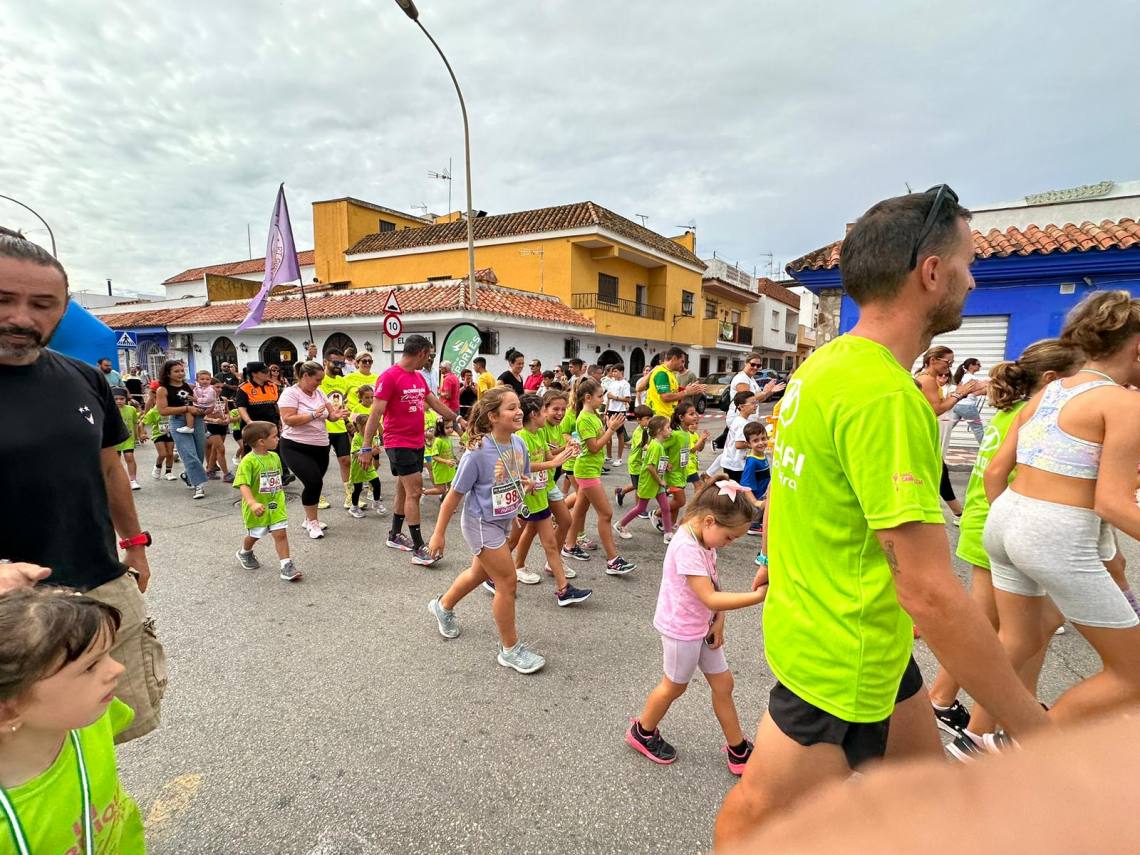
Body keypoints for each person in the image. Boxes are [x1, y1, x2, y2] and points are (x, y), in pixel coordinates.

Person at [714, 186, 1049, 846]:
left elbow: (791, 485)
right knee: (755, 821)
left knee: (934, 808)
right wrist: (1040, 733)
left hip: (870, 645)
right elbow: (929, 591)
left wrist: (772, 558)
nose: (973, 279)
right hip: (842, 659)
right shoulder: (886, 397)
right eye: (968, 263)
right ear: (932, 272)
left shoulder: (823, 366)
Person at [0, 231, 165, 743]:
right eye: (4, 299)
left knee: (113, 731)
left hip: (99, 586)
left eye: (42, 304)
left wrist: (134, 544)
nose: (22, 317)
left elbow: (110, 468)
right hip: (8, 611)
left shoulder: (83, 378)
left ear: (63, 309)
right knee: (20, 752)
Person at [979, 290, 1140, 729]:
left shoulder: (1049, 392)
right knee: (1133, 674)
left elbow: (996, 472)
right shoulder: (1123, 403)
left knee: (1019, 640)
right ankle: (1029, 743)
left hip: (1006, 519)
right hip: (1055, 534)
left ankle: (976, 738)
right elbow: (1113, 503)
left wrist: (1019, 527)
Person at [918, 339, 1083, 749]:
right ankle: (988, 722)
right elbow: (1004, 477)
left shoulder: (1014, 412)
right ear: (1051, 380)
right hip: (998, 525)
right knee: (1017, 630)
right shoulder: (1034, 416)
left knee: (1002, 627)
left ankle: (962, 703)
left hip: (986, 522)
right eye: (1077, 378)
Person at [626, 477, 766, 773]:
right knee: (674, 686)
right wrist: (757, 597)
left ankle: (737, 749)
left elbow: (712, 583)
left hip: (702, 624)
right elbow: (709, 596)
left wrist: (719, 619)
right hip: (682, 629)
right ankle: (642, 731)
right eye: (729, 537)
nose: (729, 544)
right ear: (710, 521)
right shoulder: (687, 547)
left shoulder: (703, 537)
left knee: (724, 684)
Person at [0, 588, 145, 853]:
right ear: (7, 712)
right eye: (90, 666)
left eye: (108, 655)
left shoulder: (92, 720)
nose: (117, 669)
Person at [426, 388, 547, 674]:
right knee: (507, 581)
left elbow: (519, 476)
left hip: (504, 520)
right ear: (493, 416)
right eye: (511, 408)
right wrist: (439, 533)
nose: (519, 412)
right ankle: (510, 650)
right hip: (481, 524)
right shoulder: (477, 453)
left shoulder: (519, 443)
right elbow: (454, 495)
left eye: (518, 406)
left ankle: (443, 606)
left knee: (478, 574)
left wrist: (526, 484)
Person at [359, 334, 459, 566]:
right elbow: (375, 413)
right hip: (398, 442)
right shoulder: (389, 377)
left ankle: (394, 535)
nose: (429, 360)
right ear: (422, 353)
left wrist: (459, 419)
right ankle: (418, 546)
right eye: (429, 355)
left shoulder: (418, 377)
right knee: (414, 492)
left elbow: (435, 403)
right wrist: (366, 446)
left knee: (404, 490)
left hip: (416, 442)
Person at [509, 393, 591, 603]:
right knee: (512, 541)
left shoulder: (538, 433)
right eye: (545, 411)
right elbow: (522, 467)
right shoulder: (521, 437)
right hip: (528, 495)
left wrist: (567, 453)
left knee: (551, 543)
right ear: (535, 414)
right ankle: (491, 574)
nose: (549, 415)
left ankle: (564, 590)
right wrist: (554, 463)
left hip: (541, 492)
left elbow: (547, 457)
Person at [560, 379, 637, 575]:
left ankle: (569, 545)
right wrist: (611, 429)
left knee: (579, 510)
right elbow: (594, 447)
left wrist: (608, 426)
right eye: (600, 396)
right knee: (606, 514)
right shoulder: (584, 418)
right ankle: (613, 560)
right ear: (588, 397)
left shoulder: (593, 415)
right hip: (586, 471)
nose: (603, 399)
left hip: (591, 469)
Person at [278, 360, 348, 540]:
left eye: (321, 379)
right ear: (305, 376)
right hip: (295, 445)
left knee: (315, 483)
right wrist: (313, 414)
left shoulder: (320, 393)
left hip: (320, 446)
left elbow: (330, 415)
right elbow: (289, 419)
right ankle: (313, 522)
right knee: (313, 482)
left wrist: (337, 415)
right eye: (317, 379)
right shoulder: (291, 393)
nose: (320, 383)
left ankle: (308, 518)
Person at [916, 346, 982, 521]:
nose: (950, 366)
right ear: (933, 360)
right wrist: (959, 394)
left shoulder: (927, 378)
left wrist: (959, 394)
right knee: (939, 471)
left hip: (925, 432)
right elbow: (936, 409)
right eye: (947, 362)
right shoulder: (927, 380)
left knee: (939, 471)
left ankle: (957, 512)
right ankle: (958, 513)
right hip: (921, 433)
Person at [233, 421, 300, 581]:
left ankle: (286, 565)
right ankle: (245, 552)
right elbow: (243, 484)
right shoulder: (248, 461)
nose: (278, 439)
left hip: (276, 505)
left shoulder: (275, 457)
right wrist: (252, 503)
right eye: (275, 436)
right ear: (261, 441)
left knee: (280, 534)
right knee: (256, 534)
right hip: (258, 507)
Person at [156, 359, 209, 499]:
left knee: (199, 454)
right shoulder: (162, 389)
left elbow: (198, 401)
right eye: (176, 371)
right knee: (189, 454)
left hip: (196, 420)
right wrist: (186, 408)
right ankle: (199, 486)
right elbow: (163, 410)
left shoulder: (189, 386)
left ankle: (188, 475)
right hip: (178, 421)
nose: (180, 373)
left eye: (182, 370)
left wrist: (203, 408)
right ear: (168, 373)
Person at [614, 415, 673, 538]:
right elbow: (650, 467)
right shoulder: (656, 446)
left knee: (665, 508)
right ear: (659, 431)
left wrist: (666, 465)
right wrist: (660, 481)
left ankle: (668, 534)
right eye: (668, 427)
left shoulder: (658, 444)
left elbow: (655, 462)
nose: (670, 429)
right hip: (649, 482)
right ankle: (620, 525)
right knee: (641, 508)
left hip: (656, 482)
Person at [319, 348, 353, 511]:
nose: (339, 366)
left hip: (339, 427)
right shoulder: (319, 379)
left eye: (341, 363)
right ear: (325, 362)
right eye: (335, 362)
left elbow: (343, 403)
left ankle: (350, 495)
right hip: (322, 428)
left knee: (346, 461)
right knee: (320, 464)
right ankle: (316, 494)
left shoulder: (343, 381)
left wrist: (347, 421)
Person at [638, 346, 705, 420]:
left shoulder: (670, 373)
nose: (683, 365)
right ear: (674, 359)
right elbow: (665, 397)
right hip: (659, 418)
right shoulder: (662, 373)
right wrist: (686, 392)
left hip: (666, 416)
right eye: (682, 361)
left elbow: (673, 391)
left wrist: (688, 389)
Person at [941, 356, 989, 446]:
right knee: (978, 428)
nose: (980, 366)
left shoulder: (963, 377)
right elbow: (976, 392)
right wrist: (986, 387)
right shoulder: (972, 379)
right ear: (971, 366)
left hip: (957, 405)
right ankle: (986, 448)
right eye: (978, 364)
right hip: (968, 407)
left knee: (947, 427)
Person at [348, 413, 386, 518]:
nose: (371, 427)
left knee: (376, 483)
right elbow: (355, 453)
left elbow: (373, 450)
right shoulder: (356, 438)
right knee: (358, 489)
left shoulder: (371, 438)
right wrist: (371, 451)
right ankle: (354, 507)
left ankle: (376, 502)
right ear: (359, 426)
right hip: (358, 468)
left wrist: (376, 450)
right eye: (367, 425)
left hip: (369, 467)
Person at [615, 405, 654, 507]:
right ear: (638, 420)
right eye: (647, 418)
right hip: (635, 464)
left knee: (637, 483)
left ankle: (621, 491)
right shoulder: (638, 432)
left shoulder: (647, 429)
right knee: (639, 487)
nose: (650, 421)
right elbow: (644, 446)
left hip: (642, 463)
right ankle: (638, 508)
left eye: (651, 418)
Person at [720, 392, 757, 483]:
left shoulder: (740, 420)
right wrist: (754, 445)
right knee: (738, 489)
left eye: (756, 402)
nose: (755, 405)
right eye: (752, 403)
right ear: (741, 407)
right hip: (735, 465)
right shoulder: (742, 423)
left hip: (731, 462)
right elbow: (739, 444)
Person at [142, 389, 177, 480]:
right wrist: (142, 433)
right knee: (162, 454)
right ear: (155, 400)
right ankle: (158, 467)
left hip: (169, 433)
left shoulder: (170, 409)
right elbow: (141, 423)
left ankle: (168, 472)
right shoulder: (153, 412)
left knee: (170, 454)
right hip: (158, 434)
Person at [203, 376, 232, 481]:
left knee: (215, 450)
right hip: (210, 426)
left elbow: (227, 412)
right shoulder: (205, 400)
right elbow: (202, 416)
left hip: (222, 426)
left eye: (221, 387)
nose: (219, 389)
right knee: (221, 449)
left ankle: (209, 470)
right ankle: (226, 474)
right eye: (217, 387)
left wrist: (228, 418)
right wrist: (214, 420)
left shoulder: (223, 399)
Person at [113, 388, 143, 491]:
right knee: (115, 461)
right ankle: (115, 480)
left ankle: (133, 480)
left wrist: (138, 436)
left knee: (129, 456)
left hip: (128, 438)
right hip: (114, 439)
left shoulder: (131, 409)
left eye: (122, 399)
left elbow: (135, 423)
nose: (119, 401)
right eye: (116, 399)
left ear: (126, 399)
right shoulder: (108, 410)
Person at [605, 363, 632, 465]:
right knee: (608, 433)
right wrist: (606, 411)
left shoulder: (625, 384)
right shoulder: (612, 383)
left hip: (620, 411)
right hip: (610, 410)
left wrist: (615, 397)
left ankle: (619, 458)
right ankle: (609, 456)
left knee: (620, 434)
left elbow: (628, 399)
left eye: (615, 371)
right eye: (612, 372)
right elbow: (608, 398)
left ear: (621, 372)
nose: (614, 373)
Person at [425, 419, 457, 498]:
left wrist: (455, 458)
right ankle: (423, 492)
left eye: (451, 427)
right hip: (440, 470)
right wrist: (446, 461)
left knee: (452, 487)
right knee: (441, 490)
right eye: (447, 428)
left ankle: (448, 502)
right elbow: (434, 456)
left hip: (449, 468)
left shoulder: (448, 438)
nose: (450, 429)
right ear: (440, 428)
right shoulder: (438, 441)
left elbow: (450, 451)